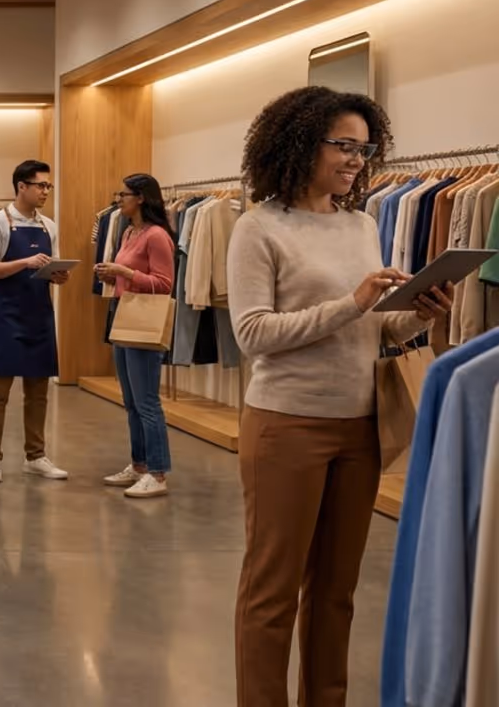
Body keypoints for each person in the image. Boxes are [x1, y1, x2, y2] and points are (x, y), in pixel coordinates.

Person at [228, 86, 451, 707]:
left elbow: (373, 327)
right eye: (344, 146)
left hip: (361, 427)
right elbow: (253, 335)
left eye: (364, 147)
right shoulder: (258, 227)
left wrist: (418, 316)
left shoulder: (362, 224)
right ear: (301, 144)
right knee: (271, 593)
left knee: (336, 592)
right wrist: (350, 302)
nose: (356, 160)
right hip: (285, 426)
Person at [0, 159, 71, 484]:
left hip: (40, 315)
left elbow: (50, 266)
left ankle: (36, 456)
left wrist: (57, 276)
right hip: (6, 315)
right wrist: (26, 262)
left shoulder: (49, 225)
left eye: (48, 186)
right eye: (40, 185)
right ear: (21, 186)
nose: (46, 191)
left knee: (39, 391)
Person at [95, 173, 178, 499]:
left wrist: (123, 272)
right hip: (123, 313)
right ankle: (139, 464)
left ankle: (158, 473)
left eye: (124, 194)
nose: (119, 199)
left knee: (146, 402)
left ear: (141, 198)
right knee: (130, 401)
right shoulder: (128, 231)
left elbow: (164, 283)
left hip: (143, 318)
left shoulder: (157, 236)